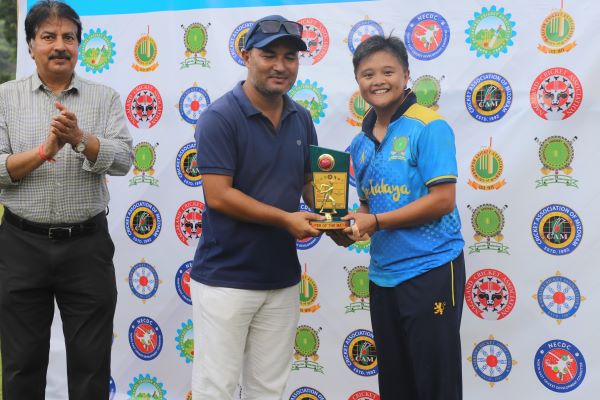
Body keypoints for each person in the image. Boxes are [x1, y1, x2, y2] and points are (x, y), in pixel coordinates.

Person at [0, 1, 133, 399]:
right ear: (30, 46)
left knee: (91, 367)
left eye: (68, 38)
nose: (60, 46)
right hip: (21, 246)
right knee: (22, 365)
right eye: (48, 37)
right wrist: (44, 151)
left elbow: (124, 159)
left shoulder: (104, 97)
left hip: (86, 247)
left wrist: (80, 140)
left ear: (79, 44)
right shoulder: (5, 98)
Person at [190, 15, 323, 400]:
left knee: (269, 388)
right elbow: (218, 194)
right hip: (225, 278)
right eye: (269, 55)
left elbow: (308, 185)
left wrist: (336, 221)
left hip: (280, 277)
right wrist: (286, 219)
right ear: (246, 55)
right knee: (216, 388)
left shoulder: (302, 117)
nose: (280, 66)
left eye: (290, 57)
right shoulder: (220, 116)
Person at [338, 35, 465, 400]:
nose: (378, 80)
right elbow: (367, 207)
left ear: (406, 75)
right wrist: (351, 225)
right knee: (395, 383)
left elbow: (442, 200)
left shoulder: (429, 126)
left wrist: (375, 223)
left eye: (388, 71)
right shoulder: (359, 144)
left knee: (435, 384)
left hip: (432, 268)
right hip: (383, 276)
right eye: (367, 74)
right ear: (358, 82)